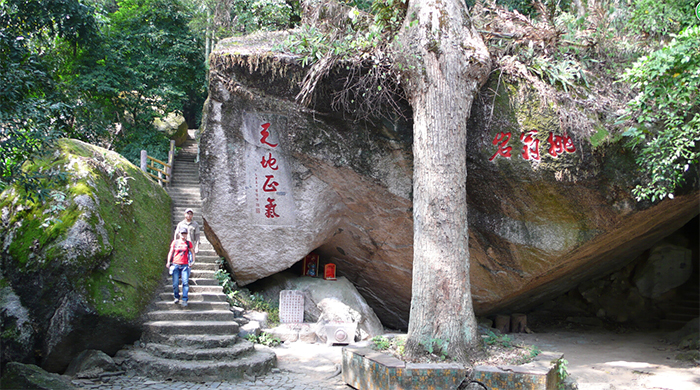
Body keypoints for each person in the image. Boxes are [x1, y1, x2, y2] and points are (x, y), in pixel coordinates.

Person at [166, 227, 193, 307]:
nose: (183, 235)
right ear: (179, 234)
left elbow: (192, 252)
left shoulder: (188, 243)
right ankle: (176, 297)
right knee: (175, 283)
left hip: (185, 265)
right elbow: (171, 252)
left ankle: (184, 299)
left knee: (185, 282)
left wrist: (192, 261)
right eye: (182, 233)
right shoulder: (175, 242)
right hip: (175, 264)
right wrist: (168, 261)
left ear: (187, 234)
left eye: (185, 233)